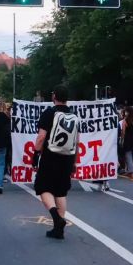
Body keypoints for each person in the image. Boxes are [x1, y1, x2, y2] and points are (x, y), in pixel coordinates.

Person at [32, 85, 79, 240]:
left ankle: (56, 218)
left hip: (50, 156)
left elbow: (41, 137)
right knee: (60, 191)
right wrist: (74, 161)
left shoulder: (49, 113)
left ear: (54, 97)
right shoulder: (73, 115)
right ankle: (59, 229)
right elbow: (76, 141)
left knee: (42, 187)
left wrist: (35, 154)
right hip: (67, 157)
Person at [119, 107, 133, 179]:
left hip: (127, 140)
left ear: (128, 112)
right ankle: (130, 171)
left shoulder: (125, 121)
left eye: (126, 112)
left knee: (128, 155)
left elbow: (123, 132)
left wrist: (121, 140)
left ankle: (131, 172)